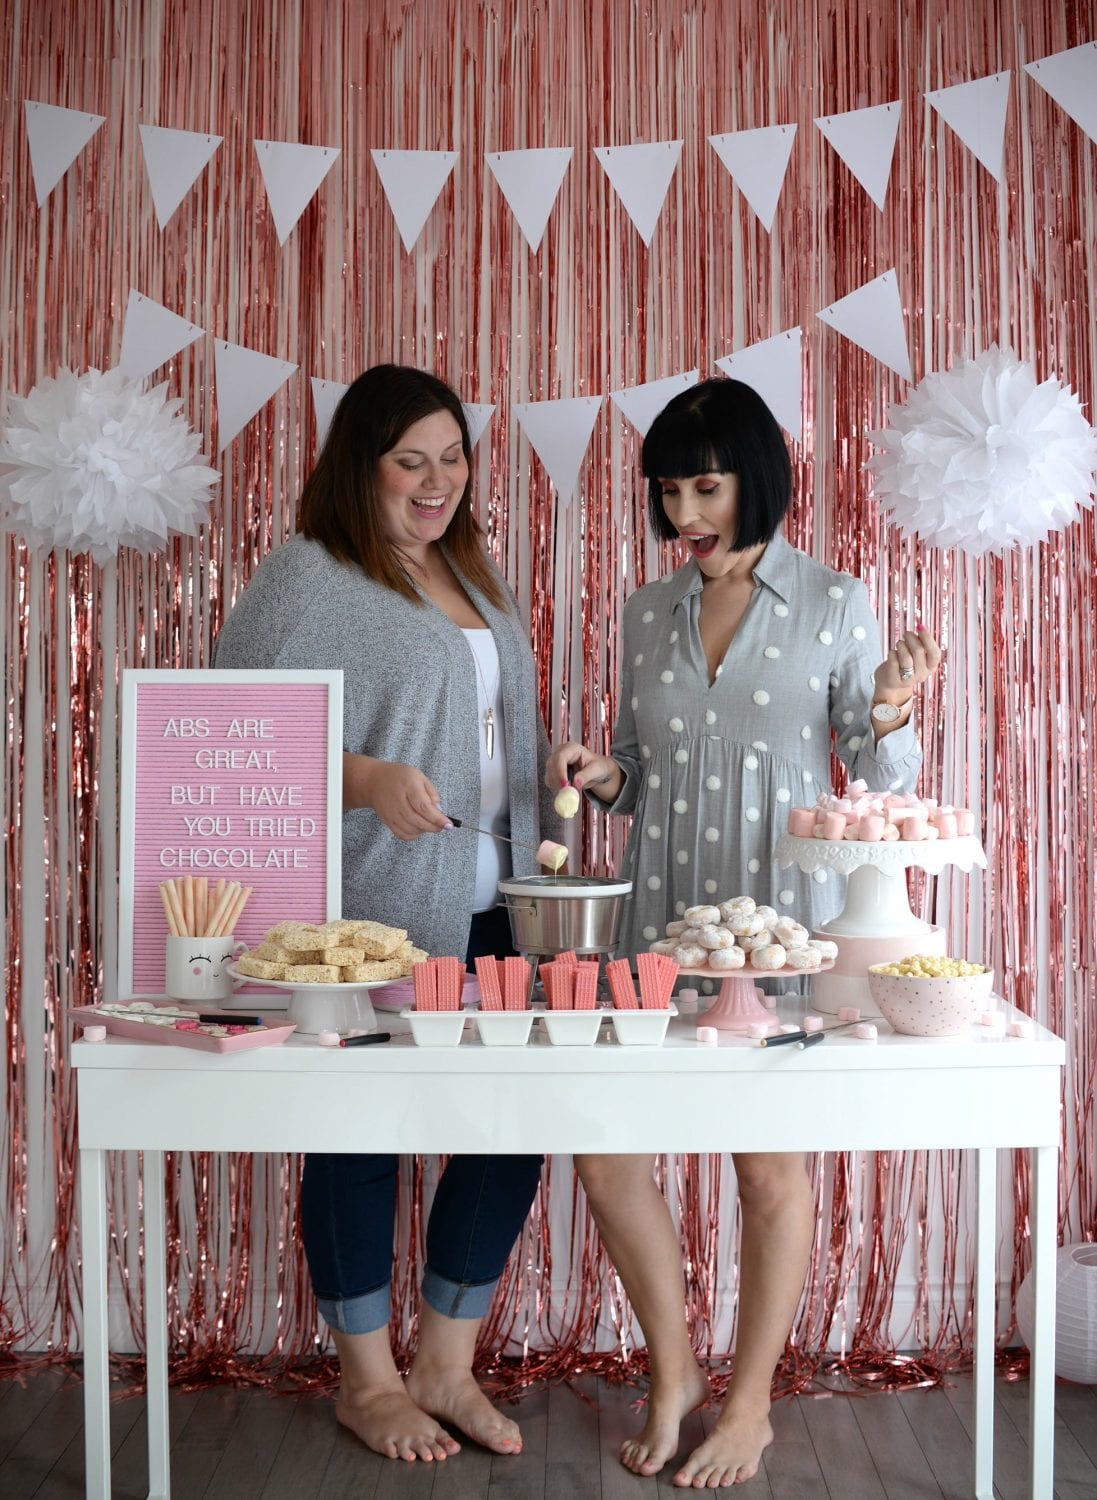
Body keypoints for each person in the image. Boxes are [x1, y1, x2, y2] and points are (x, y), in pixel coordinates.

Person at [547, 377, 941, 1489]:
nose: (683, 515)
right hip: (659, 920)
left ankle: (752, 1406)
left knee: (767, 1169)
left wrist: (894, 709)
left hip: (781, 933)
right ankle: (673, 1376)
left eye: (704, 487)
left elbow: (872, 779)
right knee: (607, 1150)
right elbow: (634, 772)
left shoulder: (831, 603)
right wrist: (599, 773)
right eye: (668, 491)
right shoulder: (642, 612)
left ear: (754, 479)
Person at [215, 364, 562, 1464]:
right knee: (360, 1137)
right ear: (357, 463)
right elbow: (229, 738)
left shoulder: (475, 574)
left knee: (511, 1124)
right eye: (409, 458)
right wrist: (365, 779)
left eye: (452, 456)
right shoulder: (308, 575)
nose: (436, 480)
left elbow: (498, 736)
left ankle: (445, 1367)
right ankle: (365, 1384)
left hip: (499, 908)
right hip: (370, 916)